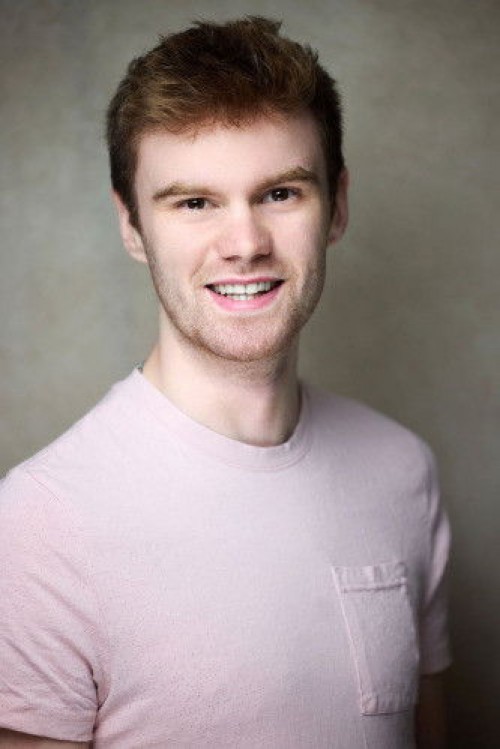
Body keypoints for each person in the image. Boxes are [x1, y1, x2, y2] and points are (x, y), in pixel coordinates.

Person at [0, 16, 451, 748]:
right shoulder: (39, 527)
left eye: (280, 193)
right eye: (194, 202)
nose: (244, 244)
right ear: (131, 225)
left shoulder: (403, 469)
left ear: (337, 205)